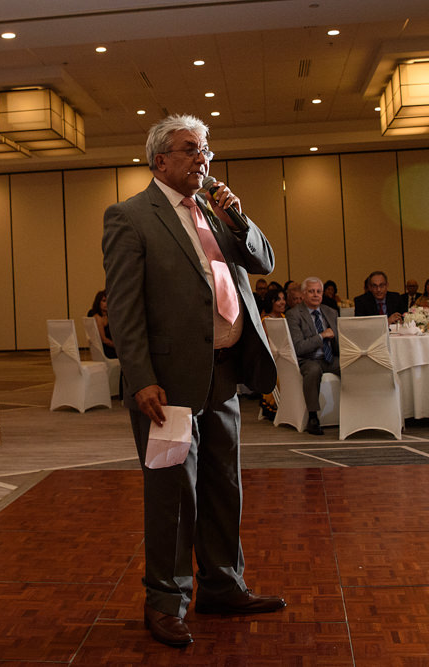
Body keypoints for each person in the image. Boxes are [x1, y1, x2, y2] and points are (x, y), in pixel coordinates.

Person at [102, 113, 285, 649]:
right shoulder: (131, 217)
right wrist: (141, 378)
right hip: (169, 383)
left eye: (206, 149)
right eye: (190, 150)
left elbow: (264, 262)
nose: (203, 158)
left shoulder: (215, 209)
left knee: (223, 488)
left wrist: (240, 216)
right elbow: (126, 309)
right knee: (173, 494)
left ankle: (223, 585)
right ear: (161, 159)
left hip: (224, 376)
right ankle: (165, 600)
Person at [286, 277, 339, 435]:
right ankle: (313, 416)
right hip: (307, 359)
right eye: (311, 291)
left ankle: (355, 411)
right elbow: (298, 347)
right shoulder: (293, 314)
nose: (316, 295)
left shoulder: (331, 312)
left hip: (329, 358)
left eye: (319, 291)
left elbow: (339, 340)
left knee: (351, 365)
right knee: (313, 370)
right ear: (303, 294)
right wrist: (322, 336)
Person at [259, 288, 287, 420]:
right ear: (271, 302)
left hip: (286, 356)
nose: (283, 302)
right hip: (271, 359)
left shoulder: (284, 318)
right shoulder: (265, 320)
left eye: (283, 299)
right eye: (278, 299)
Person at [86, 289, 117, 359]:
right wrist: (118, 347)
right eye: (104, 301)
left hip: (108, 348)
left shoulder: (108, 316)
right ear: (98, 302)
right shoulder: (98, 317)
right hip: (107, 351)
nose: (106, 303)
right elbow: (104, 339)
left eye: (108, 301)